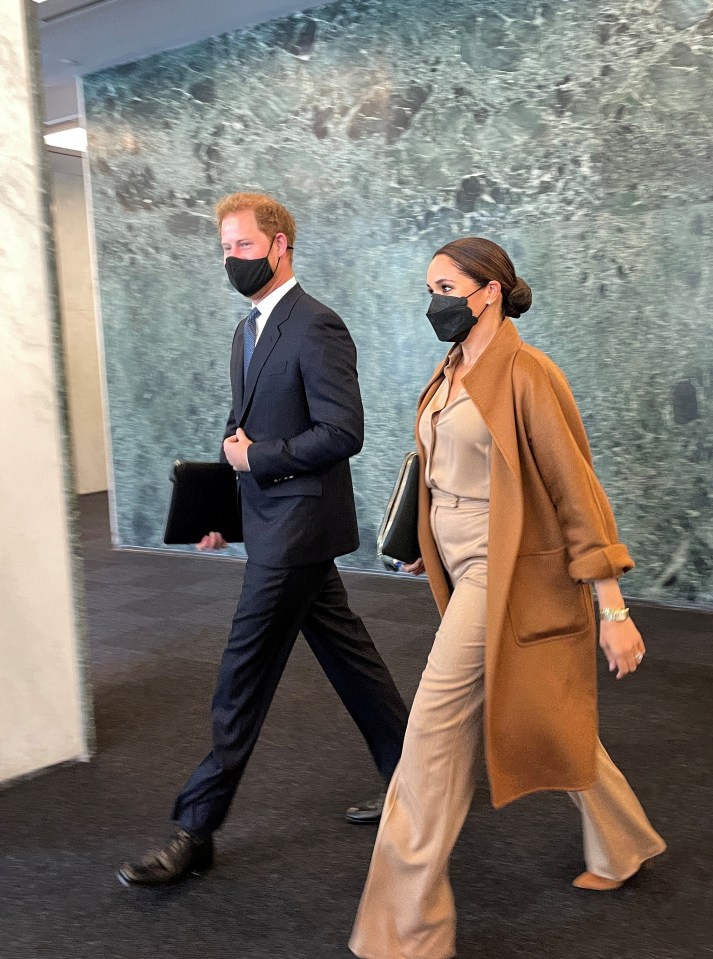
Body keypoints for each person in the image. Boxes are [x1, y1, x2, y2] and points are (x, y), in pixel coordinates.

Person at [349, 237, 666, 959]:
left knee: (430, 736)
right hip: (457, 561)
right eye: (428, 286)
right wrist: (422, 542)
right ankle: (621, 842)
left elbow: (575, 493)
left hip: (507, 568)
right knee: (545, 711)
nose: (434, 299)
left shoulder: (527, 373)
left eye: (446, 285)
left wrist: (611, 610)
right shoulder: (449, 370)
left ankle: (404, 930)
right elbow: (435, 474)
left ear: (488, 290)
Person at [117, 192, 408, 887]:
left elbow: (344, 433)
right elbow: (239, 433)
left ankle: (195, 829)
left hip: (299, 528)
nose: (230, 257)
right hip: (271, 522)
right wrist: (227, 506)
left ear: (279, 245)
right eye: (223, 246)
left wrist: (259, 459)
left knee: (239, 678)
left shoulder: (317, 327)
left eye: (242, 245)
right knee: (353, 662)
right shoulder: (246, 330)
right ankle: (416, 782)